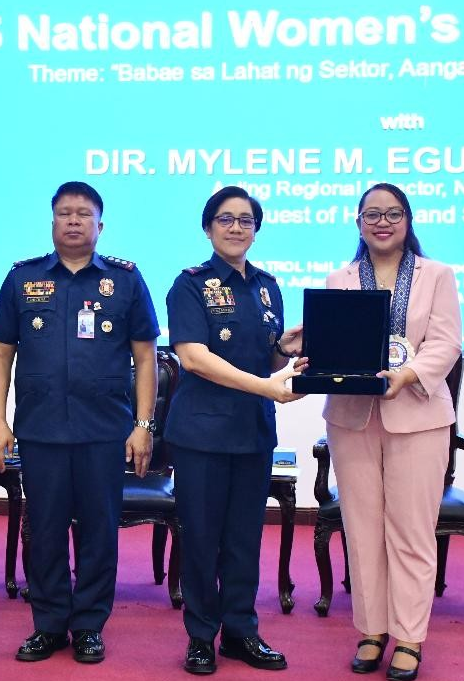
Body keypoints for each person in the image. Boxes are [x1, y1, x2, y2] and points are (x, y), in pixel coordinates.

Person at [0, 181, 159, 664]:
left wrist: (143, 425)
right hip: (40, 430)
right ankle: (48, 625)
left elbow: (146, 357)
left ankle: (88, 626)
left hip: (104, 431)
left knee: (99, 532)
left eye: (84, 214)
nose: (74, 221)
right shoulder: (23, 278)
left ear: (100, 225)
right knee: (44, 531)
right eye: (65, 213)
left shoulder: (125, 280)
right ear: (52, 222)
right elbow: (0, 355)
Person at [321, 183, 461, 681]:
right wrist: (309, 345)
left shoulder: (436, 275)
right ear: (358, 222)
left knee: (411, 531)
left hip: (418, 416)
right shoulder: (339, 279)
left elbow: (446, 342)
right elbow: (334, 343)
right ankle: (371, 630)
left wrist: (407, 375)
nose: (383, 222)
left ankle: (410, 638)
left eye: (393, 213)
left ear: (408, 220)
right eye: (373, 214)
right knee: (361, 531)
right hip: (351, 418)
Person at [164, 185, 303, 675]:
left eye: (246, 220)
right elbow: (194, 358)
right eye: (226, 219)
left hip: (252, 433)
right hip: (201, 435)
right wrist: (267, 387)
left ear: (256, 231)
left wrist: (284, 351)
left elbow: (265, 360)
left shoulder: (267, 287)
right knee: (202, 539)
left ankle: (241, 632)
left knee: (244, 540)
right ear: (208, 228)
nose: (236, 228)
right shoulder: (190, 285)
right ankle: (201, 636)